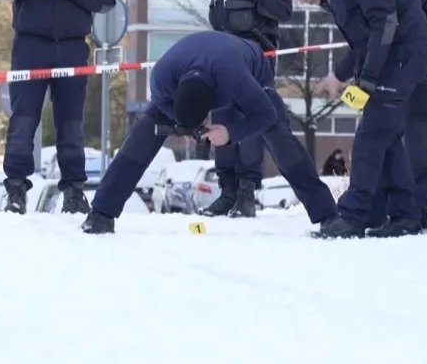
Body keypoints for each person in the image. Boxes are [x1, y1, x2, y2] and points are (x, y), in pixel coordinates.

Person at [80, 30, 337, 234]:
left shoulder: (236, 81)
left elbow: (265, 114)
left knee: (279, 137)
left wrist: (231, 132)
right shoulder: (161, 78)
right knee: (142, 134)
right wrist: (186, 127)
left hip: (249, 63)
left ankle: (327, 215)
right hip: (198, 59)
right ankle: (101, 213)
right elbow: (164, 108)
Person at [278, 0, 427, 234]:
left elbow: (378, 32)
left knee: (406, 135)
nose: (301, 0)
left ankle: (400, 214)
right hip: (392, 60)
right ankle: (393, 213)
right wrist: (352, 79)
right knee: (385, 135)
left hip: (419, 54)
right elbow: (365, 41)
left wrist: (343, 75)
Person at [0, 0, 116, 214]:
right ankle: (16, 190)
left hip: (73, 47)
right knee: (23, 119)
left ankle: (74, 192)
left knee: (71, 122)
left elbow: (107, 0)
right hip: (30, 45)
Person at [201, 0, 294, 219]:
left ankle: (246, 194)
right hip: (224, 51)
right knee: (222, 117)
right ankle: (227, 191)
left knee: (248, 120)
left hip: (256, 52)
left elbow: (284, 9)